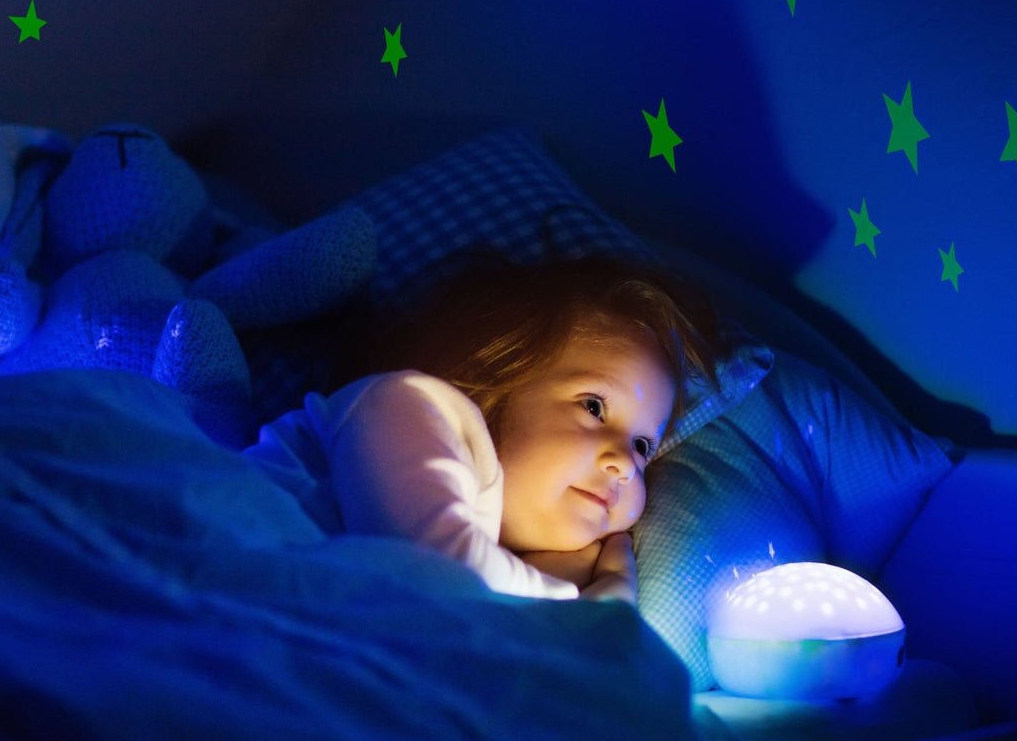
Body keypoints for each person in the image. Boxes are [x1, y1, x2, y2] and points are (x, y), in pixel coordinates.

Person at [243, 253, 720, 602]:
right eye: (593, 406)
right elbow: (437, 577)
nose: (623, 465)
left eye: (642, 445)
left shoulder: (505, 549)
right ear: (497, 373)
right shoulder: (406, 405)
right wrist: (592, 600)